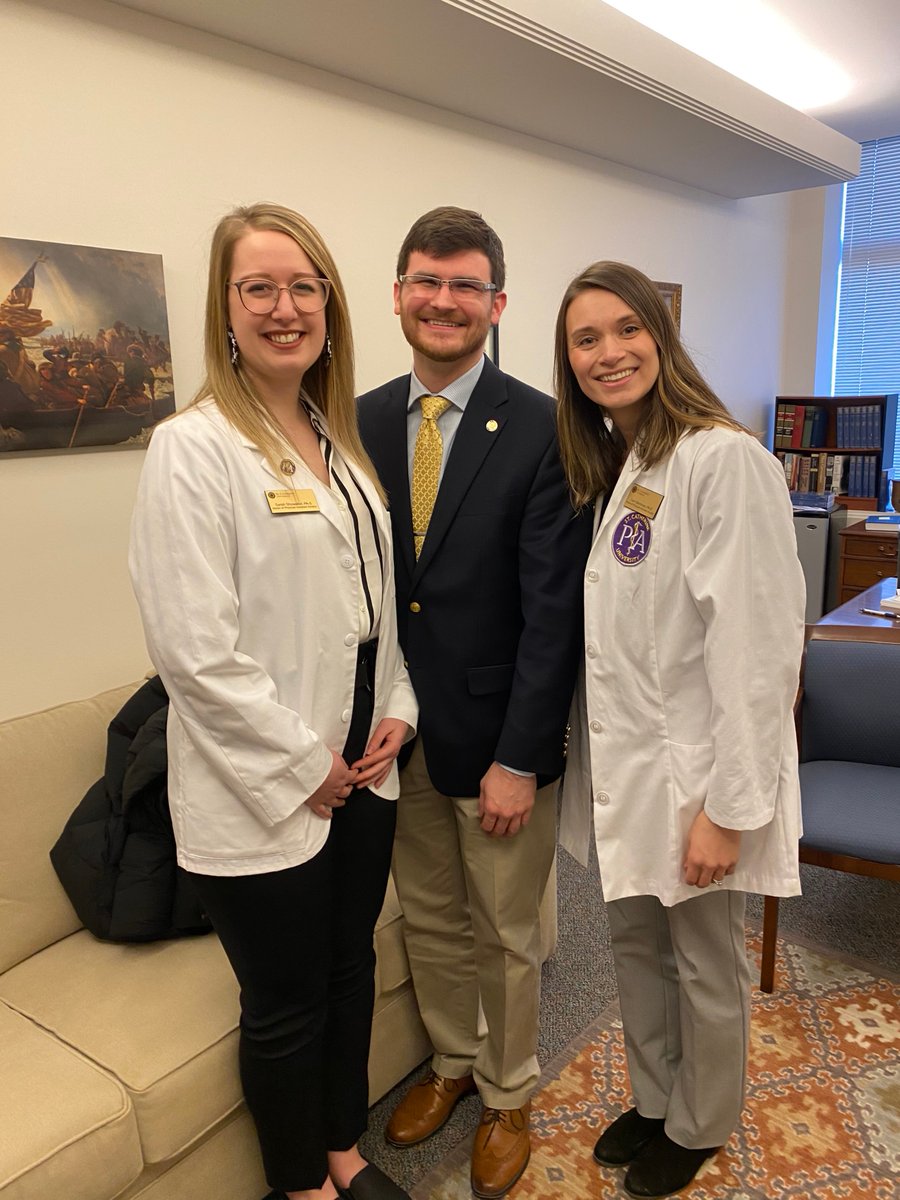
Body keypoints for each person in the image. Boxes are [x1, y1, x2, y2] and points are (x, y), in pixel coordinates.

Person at [129, 202, 418, 1200]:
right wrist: (308, 767)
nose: (284, 307)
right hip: (271, 790)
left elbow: (376, 613)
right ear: (227, 310)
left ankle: (344, 1150)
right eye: (260, 287)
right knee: (286, 1003)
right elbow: (193, 653)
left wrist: (400, 712)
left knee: (347, 975)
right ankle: (302, 1186)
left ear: (330, 306)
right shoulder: (192, 448)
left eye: (304, 286)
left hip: (364, 775)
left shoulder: (339, 446)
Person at [555, 261, 805, 1199]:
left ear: (663, 339)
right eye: (587, 339)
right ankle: (657, 1097)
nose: (608, 352)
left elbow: (758, 650)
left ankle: (702, 1120)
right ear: (568, 360)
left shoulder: (720, 458)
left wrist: (730, 809)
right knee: (635, 949)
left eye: (627, 330)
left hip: (699, 781)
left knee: (703, 962)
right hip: (628, 775)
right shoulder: (625, 468)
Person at [358, 207, 591, 1199]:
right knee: (431, 922)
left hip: (499, 739)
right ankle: (453, 1065)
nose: (442, 301)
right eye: (425, 280)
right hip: (393, 737)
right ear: (399, 292)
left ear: (496, 303)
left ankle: (507, 1093)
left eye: (463, 286)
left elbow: (556, 618)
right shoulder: (359, 415)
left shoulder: (544, 426)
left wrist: (520, 757)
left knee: (508, 931)